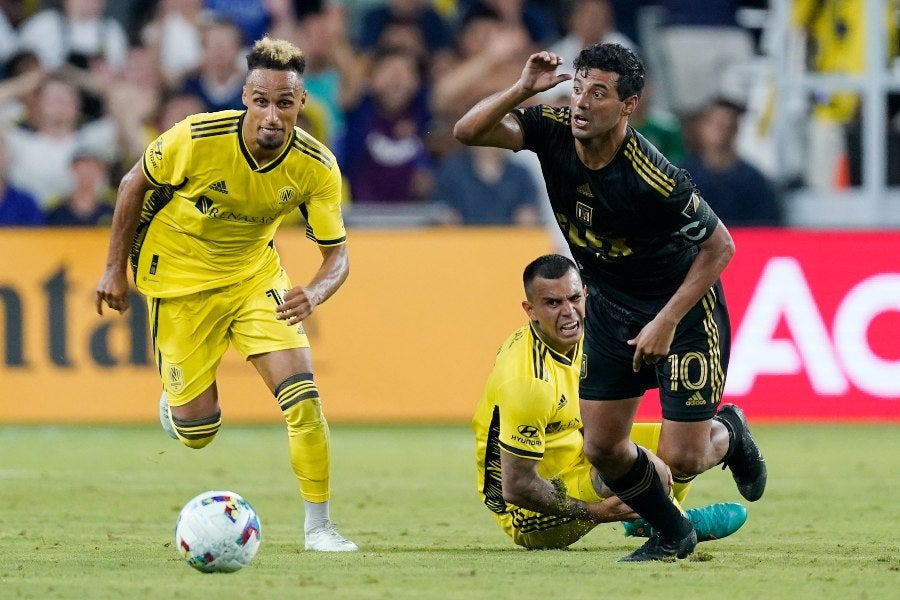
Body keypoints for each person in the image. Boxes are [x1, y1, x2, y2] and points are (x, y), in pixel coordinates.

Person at [454, 43, 766, 561]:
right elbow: (467, 132)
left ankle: (729, 433)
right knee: (602, 446)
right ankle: (674, 533)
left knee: (681, 459)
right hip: (610, 308)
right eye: (577, 88)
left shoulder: (653, 176)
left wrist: (666, 320)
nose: (580, 102)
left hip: (682, 311)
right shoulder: (552, 129)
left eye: (598, 93)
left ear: (628, 105)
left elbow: (720, 247)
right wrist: (522, 89)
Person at [95, 36, 358, 552]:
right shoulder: (195, 137)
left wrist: (317, 291)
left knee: (304, 400)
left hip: (255, 279)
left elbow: (338, 254)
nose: (272, 115)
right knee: (197, 432)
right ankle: (178, 410)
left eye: (285, 103)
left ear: (301, 103)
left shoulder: (316, 166)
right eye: (262, 100)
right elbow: (132, 184)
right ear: (245, 96)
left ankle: (319, 527)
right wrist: (112, 270)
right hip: (179, 281)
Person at [472, 253, 747, 550]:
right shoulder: (528, 382)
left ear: (586, 293)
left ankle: (733, 432)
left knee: (685, 444)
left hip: (579, 450)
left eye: (574, 297)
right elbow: (517, 487)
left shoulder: (589, 337)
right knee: (646, 470)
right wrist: (598, 513)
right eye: (553, 303)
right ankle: (676, 525)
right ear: (531, 310)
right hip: (528, 509)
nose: (569, 312)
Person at [681, 97, 782, 226]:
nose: (721, 130)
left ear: (736, 128)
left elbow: (766, 225)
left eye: (728, 124)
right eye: (715, 123)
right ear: (701, 127)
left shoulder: (753, 180)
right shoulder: (684, 176)